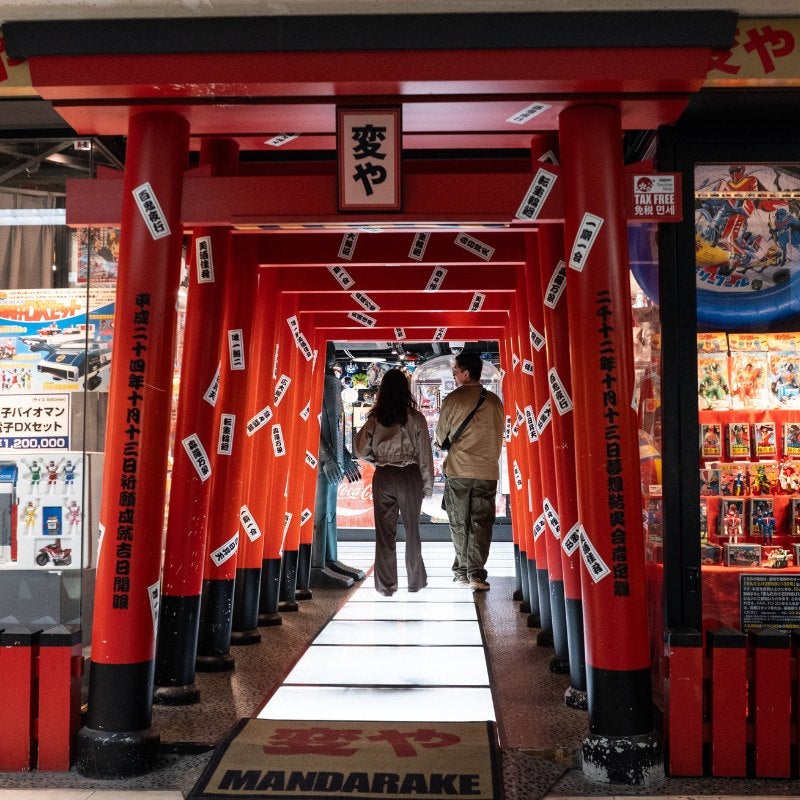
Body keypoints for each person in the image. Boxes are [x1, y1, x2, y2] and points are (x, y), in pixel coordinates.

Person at [355, 368, 434, 596]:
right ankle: (416, 581)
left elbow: (360, 450)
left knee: (384, 533)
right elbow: (424, 455)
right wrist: (426, 485)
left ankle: (387, 586)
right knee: (412, 531)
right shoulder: (416, 418)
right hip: (409, 475)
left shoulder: (375, 418)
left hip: (384, 475)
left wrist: (377, 460)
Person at [435, 351, 504, 591]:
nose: (454, 376)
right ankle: (475, 572)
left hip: (459, 470)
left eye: (455, 371)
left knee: (459, 521)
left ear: (465, 373)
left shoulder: (453, 400)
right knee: (482, 522)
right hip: (487, 471)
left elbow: (440, 437)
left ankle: (463, 571)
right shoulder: (495, 401)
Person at [310, 345, 364, 589]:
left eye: (331, 349)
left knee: (330, 510)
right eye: (326, 348)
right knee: (319, 511)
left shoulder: (330, 381)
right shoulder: (309, 379)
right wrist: (326, 457)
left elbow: (336, 425)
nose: (331, 355)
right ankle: (315, 565)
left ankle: (330, 559)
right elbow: (310, 420)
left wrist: (344, 455)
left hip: (333, 457)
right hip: (318, 461)